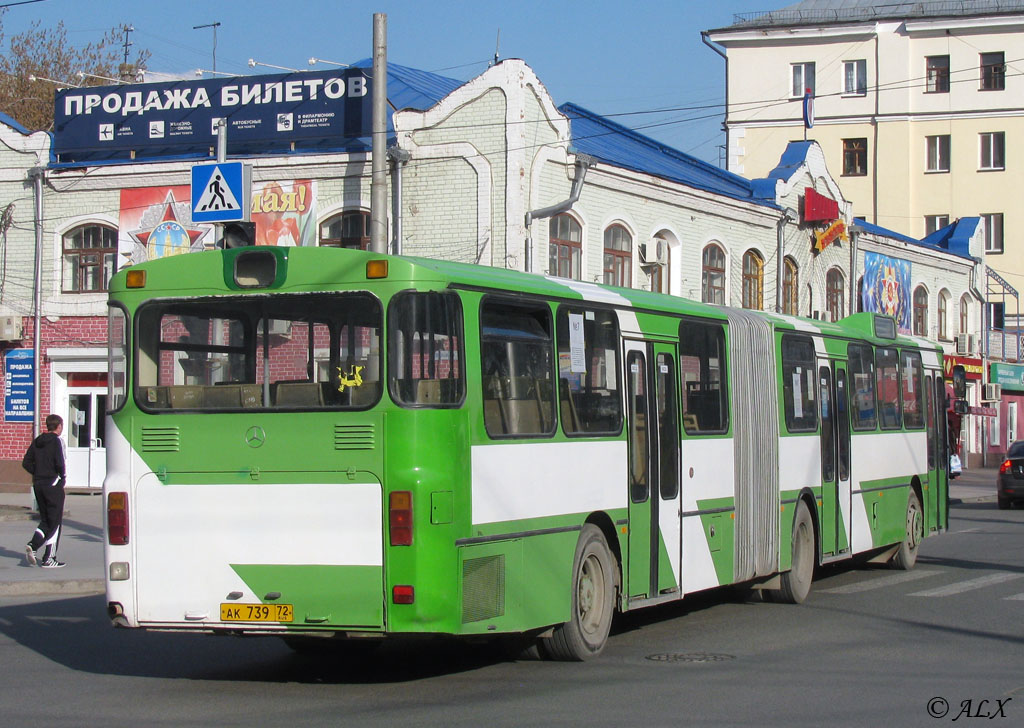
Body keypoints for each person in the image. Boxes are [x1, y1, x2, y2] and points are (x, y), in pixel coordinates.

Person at [22, 414, 67, 569]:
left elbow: (26, 462)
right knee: (55, 522)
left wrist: (38, 472)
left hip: (38, 485)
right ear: (59, 426)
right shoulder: (56, 441)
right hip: (52, 485)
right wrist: (62, 478)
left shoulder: (37, 441)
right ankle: (49, 558)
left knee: (46, 520)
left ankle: (33, 546)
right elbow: (59, 462)